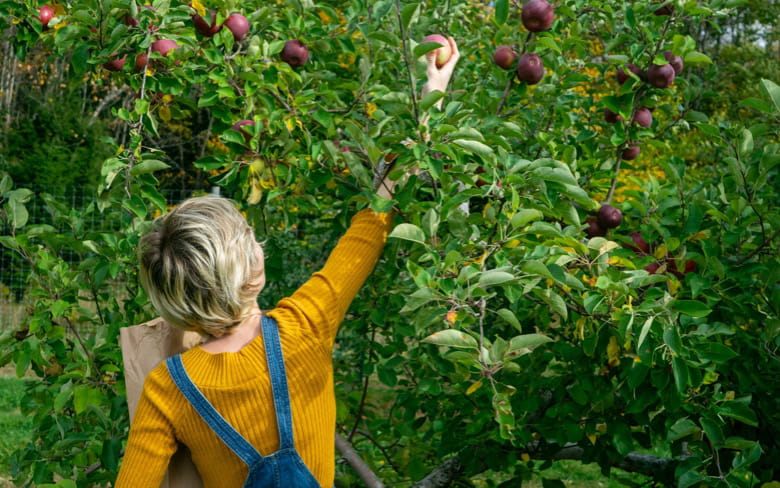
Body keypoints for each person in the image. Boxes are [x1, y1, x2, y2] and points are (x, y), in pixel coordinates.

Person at [114, 37, 460, 488]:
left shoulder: (168, 388)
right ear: (251, 272)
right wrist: (429, 94)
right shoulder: (306, 326)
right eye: (250, 239)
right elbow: (368, 230)